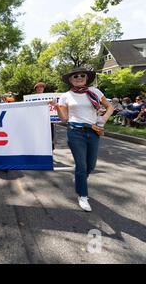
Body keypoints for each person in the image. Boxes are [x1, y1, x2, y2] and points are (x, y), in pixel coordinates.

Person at [50, 67, 113, 212]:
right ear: (70, 80)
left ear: (86, 78)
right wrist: (56, 107)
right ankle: (83, 196)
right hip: (75, 131)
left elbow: (109, 107)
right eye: (75, 76)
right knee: (81, 165)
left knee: (91, 165)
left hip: (93, 131)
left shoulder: (95, 92)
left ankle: (79, 179)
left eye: (82, 75)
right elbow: (64, 118)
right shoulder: (65, 96)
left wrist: (103, 119)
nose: (79, 77)